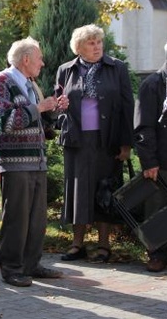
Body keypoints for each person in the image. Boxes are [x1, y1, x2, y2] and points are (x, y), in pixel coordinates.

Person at [0, 36, 67, 287]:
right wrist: (39, 108)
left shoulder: (30, 84)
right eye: (39, 58)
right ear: (26, 59)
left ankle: (31, 264)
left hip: (36, 161)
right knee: (16, 219)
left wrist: (53, 110)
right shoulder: (2, 81)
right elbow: (7, 122)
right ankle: (11, 268)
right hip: (15, 162)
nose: (43, 63)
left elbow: (39, 124)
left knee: (36, 219)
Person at [56, 24, 134, 264]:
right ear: (79, 47)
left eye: (99, 42)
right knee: (78, 191)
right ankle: (77, 244)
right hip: (78, 140)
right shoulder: (66, 70)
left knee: (105, 190)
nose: (97, 46)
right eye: (91, 43)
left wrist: (126, 143)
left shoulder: (117, 68)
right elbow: (57, 103)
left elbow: (127, 105)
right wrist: (61, 111)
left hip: (107, 139)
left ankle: (103, 245)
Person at [134, 36, 167, 272]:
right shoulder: (152, 84)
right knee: (158, 210)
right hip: (162, 161)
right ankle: (156, 254)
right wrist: (149, 161)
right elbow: (143, 128)